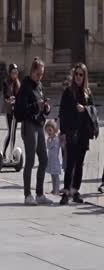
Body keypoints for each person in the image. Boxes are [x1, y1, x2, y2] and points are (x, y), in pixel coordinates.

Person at [15, 57, 53, 205]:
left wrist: (45, 108)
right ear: (32, 72)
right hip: (29, 124)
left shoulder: (39, 85)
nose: (40, 77)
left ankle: (40, 194)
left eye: (42, 74)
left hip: (39, 124)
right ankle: (27, 195)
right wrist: (36, 105)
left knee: (44, 159)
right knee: (30, 160)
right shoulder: (25, 86)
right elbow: (21, 109)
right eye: (38, 74)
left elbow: (40, 104)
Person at [59, 63, 95, 205]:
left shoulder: (87, 93)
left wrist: (84, 109)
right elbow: (62, 112)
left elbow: (93, 111)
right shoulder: (68, 92)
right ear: (73, 76)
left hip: (83, 133)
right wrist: (62, 132)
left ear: (84, 76)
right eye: (77, 74)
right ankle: (66, 191)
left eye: (81, 74)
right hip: (71, 132)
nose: (78, 77)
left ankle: (75, 191)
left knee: (79, 163)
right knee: (70, 164)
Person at [1, 63, 20, 160]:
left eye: (16, 73)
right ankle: (3, 152)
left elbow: (20, 94)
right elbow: (5, 95)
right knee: (10, 132)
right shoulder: (6, 82)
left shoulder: (17, 83)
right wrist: (9, 98)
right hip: (9, 109)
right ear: (9, 73)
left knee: (14, 132)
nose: (15, 75)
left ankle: (11, 152)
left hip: (16, 109)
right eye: (13, 73)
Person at [44, 119, 61, 195]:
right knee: (52, 175)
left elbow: (51, 146)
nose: (48, 133)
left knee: (56, 176)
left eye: (50, 130)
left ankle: (56, 189)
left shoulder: (56, 139)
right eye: (47, 131)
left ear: (54, 130)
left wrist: (50, 140)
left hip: (55, 160)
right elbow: (48, 146)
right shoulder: (50, 139)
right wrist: (49, 140)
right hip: (50, 159)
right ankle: (54, 189)